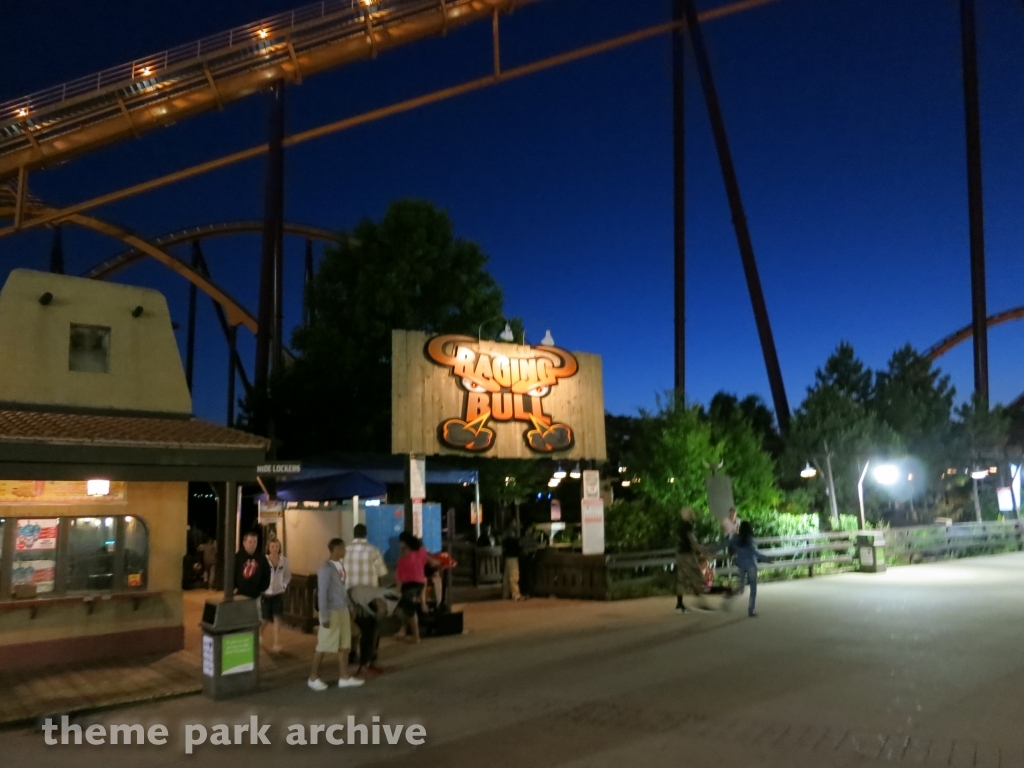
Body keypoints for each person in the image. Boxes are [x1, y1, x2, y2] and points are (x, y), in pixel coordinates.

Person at [309, 538, 365, 691]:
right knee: (323, 644)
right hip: (332, 610)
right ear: (335, 549)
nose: (345, 551)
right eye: (343, 548)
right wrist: (324, 615)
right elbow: (322, 593)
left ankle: (344, 676)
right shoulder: (326, 568)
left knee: (344, 644)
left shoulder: (340, 566)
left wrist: (350, 607)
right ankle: (313, 677)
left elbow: (343, 589)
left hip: (342, 609)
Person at [395, 533, 439, 643]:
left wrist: (398, 590)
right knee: (404, 610)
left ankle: (415, 636)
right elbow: (434, 562)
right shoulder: (421, 552)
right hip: (419, 584)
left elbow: (399, 576)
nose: (399, 544)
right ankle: (405, 630)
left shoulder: (403, 557)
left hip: (411, 586)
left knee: (409, 611)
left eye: (401, 542)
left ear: (405, 543)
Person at [348, 584, 401, 676]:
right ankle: (363, 667)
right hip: (352, 600)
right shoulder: (388, 601)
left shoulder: (395, 601)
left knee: (374, 630)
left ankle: (371, 663)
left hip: (365, 600)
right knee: (368, 630)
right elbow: (379, 616)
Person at [723, 520, 773, 617]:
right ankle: (751, 610)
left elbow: (730, 547)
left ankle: (730, 594)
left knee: (741, 588)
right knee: (753, 589)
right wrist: (766, 559)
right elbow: (754, 553)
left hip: (741, 565)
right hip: (751, 565)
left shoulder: (736, 539)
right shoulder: (749, 539)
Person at [674, 507, 712, 613]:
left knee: (681, 579)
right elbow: (693, 543)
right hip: (687, 555)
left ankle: (679, 604)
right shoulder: (688, 526)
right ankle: (702, 604)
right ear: (690, 515)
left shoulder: (680, 526)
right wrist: (704, 552)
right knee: (698, 577)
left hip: (679, 554)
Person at [262, 538, 291, 652]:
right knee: (265, 618)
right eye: (272, 546)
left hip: (278, 592)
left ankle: (276, 642)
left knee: (277, 616)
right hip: (266, 592)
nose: (275, 549)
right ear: (268, 548)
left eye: (277, 547)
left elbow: (287, 575)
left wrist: (283, 585)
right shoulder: (264, 560)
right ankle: (260, 633)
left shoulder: (284, 561)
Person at [234, 531, 270, 600]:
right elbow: (232, 573)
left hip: (256, 595)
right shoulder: (237, 557)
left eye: (255, 542)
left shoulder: (261, 558)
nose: (252, 544)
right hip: (239, 594)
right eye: (250, 542)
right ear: (244, 543)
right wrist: (236, 588)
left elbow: (266, 574)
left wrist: (260, 589)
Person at [501, 525, 523, 601]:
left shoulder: (505, 540)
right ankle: (516, 594)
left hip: (507, 557)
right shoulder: (513, 541)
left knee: (506, 577)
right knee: (514, 575)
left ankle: (506, 593)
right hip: (513, 557)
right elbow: (518, 549)